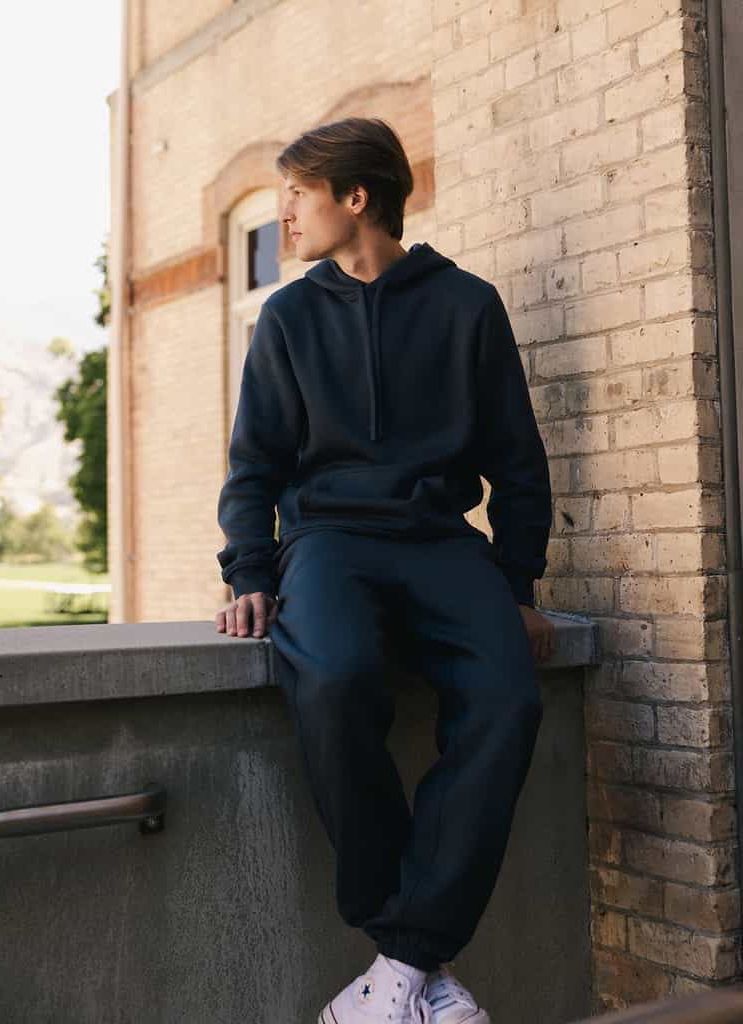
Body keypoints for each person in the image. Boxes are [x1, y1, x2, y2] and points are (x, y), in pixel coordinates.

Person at [214, 116, 554, 1024]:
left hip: (444, 543)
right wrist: (250, 569)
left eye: (297, 193)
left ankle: (395, 972)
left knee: (510, 696)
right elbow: (254, 466)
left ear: (354, 198)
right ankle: (411, 960)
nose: (284, 215)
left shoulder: (469, 306)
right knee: (333, 676)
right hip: (325, 543)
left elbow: (517, 463)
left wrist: (517, 586)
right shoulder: (287, 318)